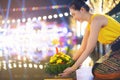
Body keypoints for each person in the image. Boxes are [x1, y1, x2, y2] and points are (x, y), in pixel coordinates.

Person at [59, 0, 120, 79]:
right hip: (115, 49)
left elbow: (90, 48)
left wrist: (73, 68)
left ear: (82, 10)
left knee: (99, 71)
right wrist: (69, 63)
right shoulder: (89, 26)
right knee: (96, 68)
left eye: (74, 14)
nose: (74, 18)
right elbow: (82, 48)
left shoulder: (96, 19)